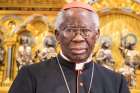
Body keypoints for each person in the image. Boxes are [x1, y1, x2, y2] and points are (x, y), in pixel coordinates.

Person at [9, 1, 130, 93]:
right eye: (70, 30)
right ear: (57, 35)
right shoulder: (30, 75)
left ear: (97, 35)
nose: (78, 38)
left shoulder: (116, 82)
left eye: (86, 31)